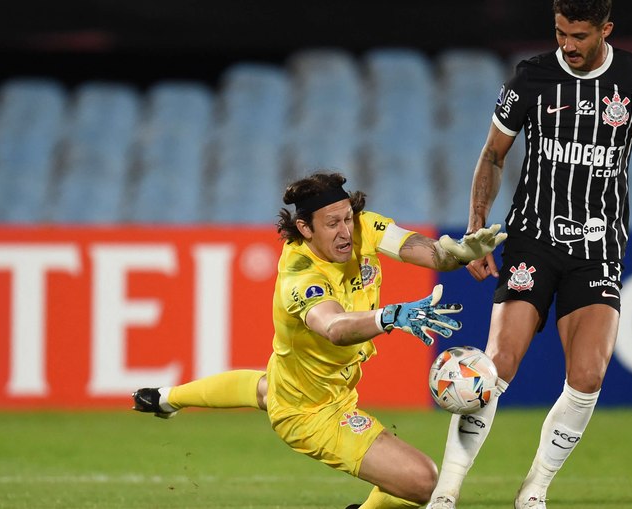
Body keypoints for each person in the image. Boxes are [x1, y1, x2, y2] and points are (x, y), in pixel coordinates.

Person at [424, 1, 632, 508]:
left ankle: (534, 491)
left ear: (606, 29)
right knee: (494, 367)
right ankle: (446, 494)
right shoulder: (530, 79)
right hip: (532, 242)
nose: (567, 44)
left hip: (598, 249)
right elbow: (493, 154)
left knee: (588, 376)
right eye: (560, 32)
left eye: (579, 36)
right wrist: (476, 226)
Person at [133, 172, 507, 509]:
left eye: (347, 218)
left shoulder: (362, 227)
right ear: (305, 228)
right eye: (332, 224)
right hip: (311, 414)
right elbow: (334, 327)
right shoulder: (299, 275)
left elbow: (427, 252)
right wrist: (388, 316)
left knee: (267, 388)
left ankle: (167, 399)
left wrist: (457, 254)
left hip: (302, 383)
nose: (345, 231)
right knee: (423, 481)